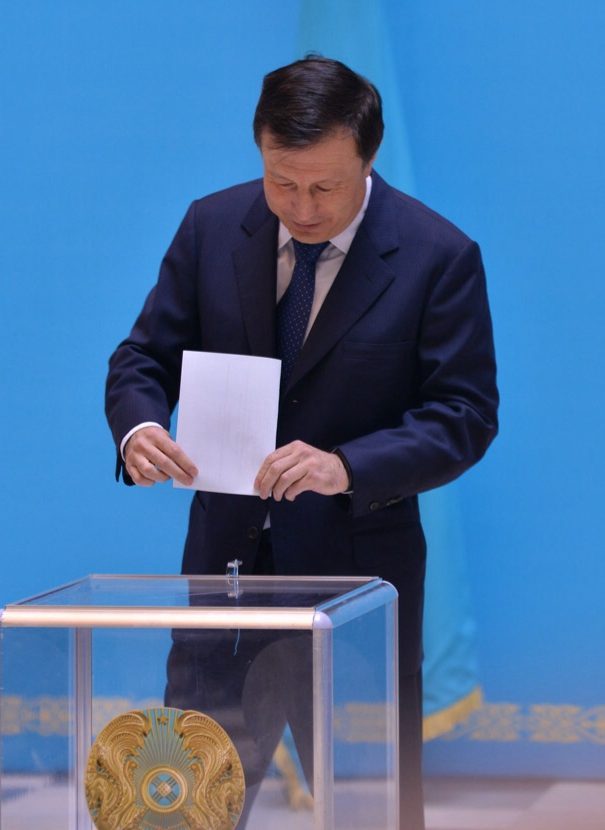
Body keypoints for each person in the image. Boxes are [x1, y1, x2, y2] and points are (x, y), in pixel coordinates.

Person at [105, 56, 498, 829]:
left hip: (356, 593)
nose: (302, 207)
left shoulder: (437, 256)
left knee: (371, 816)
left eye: (325, 187)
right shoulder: (211, 226)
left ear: (369, 159)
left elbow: (464, 415)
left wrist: (346, 466)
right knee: (183, 812)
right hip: (224, 584)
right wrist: (140, 427)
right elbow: (142, 358)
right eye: (281, 182)